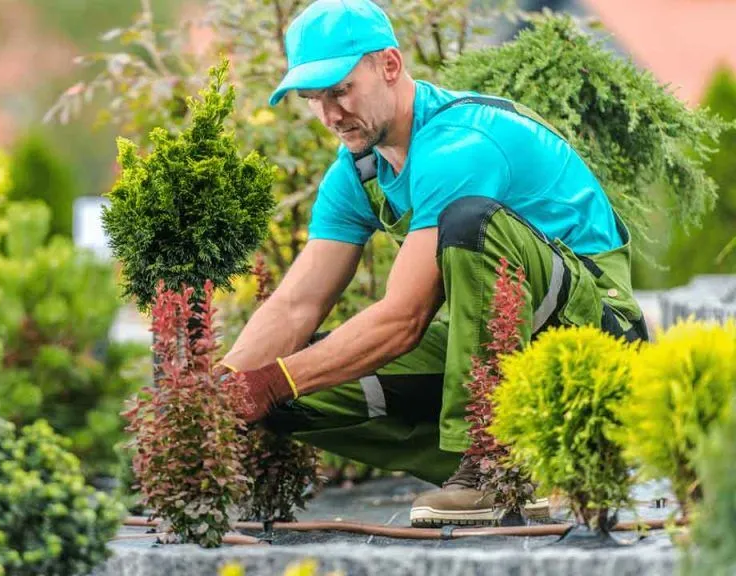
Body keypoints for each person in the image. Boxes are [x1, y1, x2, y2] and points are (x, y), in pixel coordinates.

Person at [216, 0, 649, 528]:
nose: (330, 115)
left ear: (390, 66)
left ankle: (490, 470)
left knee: (469, 222)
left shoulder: (461, 144)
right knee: (290, 389)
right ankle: (527, 472)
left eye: (341, 91)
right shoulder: (359, 173)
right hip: (502, 346)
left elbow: (404, 319)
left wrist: (273, 380)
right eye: (314, 99)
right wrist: (218, 392)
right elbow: (293, 305)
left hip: (597, 337)